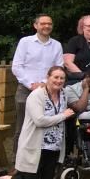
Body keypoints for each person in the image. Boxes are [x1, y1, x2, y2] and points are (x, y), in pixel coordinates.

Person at [0, 66, 75, 179]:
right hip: (35, 144)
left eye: (62, 78)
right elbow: (39, 121)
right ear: (48, 77)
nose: (59, 80)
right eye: (56, 77)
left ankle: (24, 174)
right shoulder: (36, 95)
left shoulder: (64, 94)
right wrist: (63, 116)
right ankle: (3, 178)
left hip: (53, 145)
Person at [10, 13, 64, 153]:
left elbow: (59, 67)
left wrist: (45, 84)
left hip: (49, 91)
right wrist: (31, 84)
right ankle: (18, 163)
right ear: (35, 25)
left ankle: (43, 159)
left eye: (49, 24)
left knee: (47, 125)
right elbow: (17, 66)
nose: (46, 26)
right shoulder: (25, 42)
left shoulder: (57, 45)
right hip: (25, 89)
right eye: (43, 23)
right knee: (22, 125)